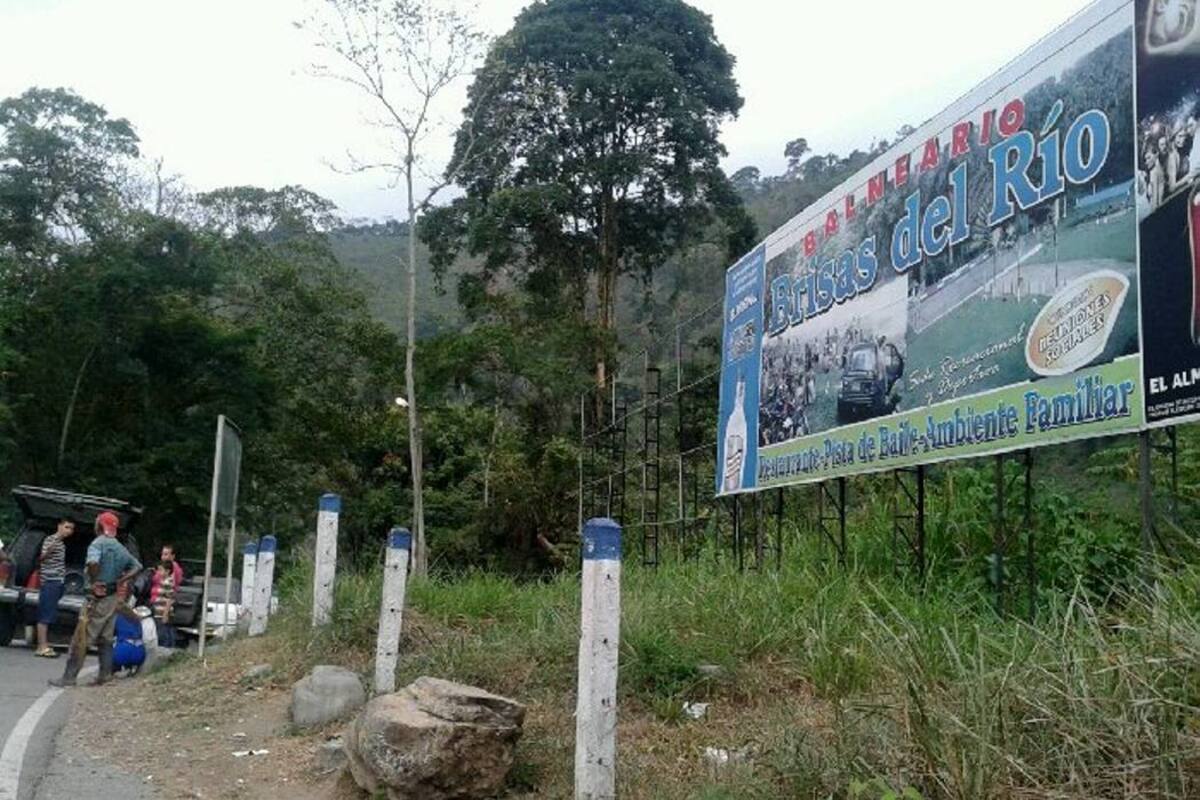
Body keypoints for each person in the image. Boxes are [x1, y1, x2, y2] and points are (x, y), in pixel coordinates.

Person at [50, 511, 141, 688]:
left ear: (100, 525)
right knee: (106, 637)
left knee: (82, 636)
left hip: (97, 598)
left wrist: (95, 581)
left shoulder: (97, 544)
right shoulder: (120, 548)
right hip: (113, 597)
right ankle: (105, 675)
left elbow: (93, 563)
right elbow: (137, 566)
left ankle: (69, 677)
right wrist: (121, 580)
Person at [34, 518, 76, 658]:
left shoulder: (61, 544)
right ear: (59, 526)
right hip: (50, 581)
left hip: (58, 581)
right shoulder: (50, 540)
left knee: (49, 612)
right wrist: (50, 550)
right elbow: (42, 558)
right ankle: (42, 647)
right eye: (66, 527)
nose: (69, 530)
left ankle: (44, 644)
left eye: (71, 528)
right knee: (45, 613)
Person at [152, 560, 176, 649]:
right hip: (159, 612)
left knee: (163, 635)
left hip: (162, 613)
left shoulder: (168, 582)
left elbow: (170, 599)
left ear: (167, 571)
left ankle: (165, 650)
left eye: (160, 570)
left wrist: (165, 614)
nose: (158, 572)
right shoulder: (163, 581)